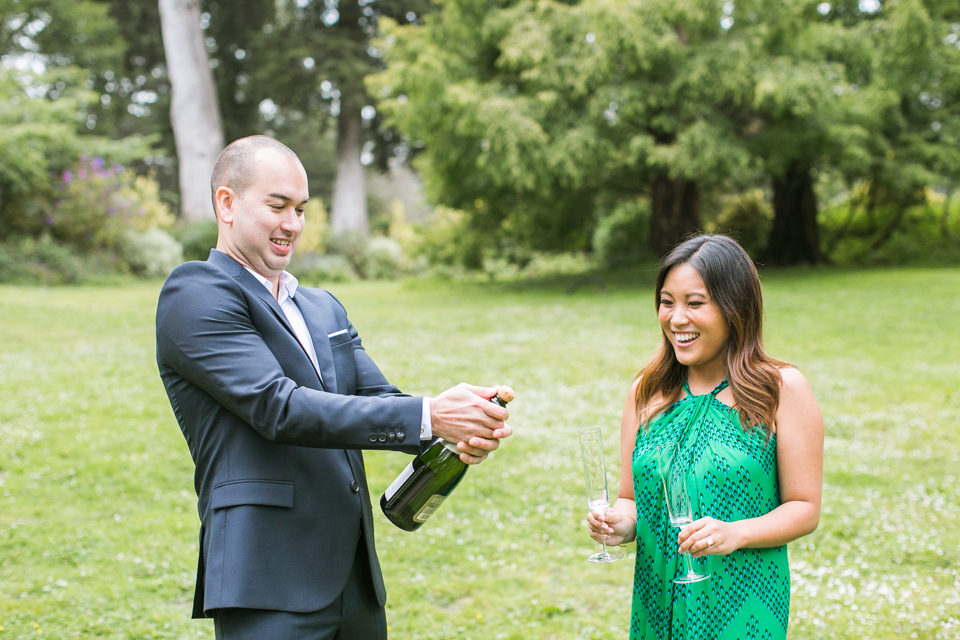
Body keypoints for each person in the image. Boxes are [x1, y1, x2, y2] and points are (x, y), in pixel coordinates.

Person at [155, 135, 512, 640]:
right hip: (267, 576)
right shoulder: (194, 293)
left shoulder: (323, 307)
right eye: (277, 206)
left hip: (354, 578)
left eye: (300, 209)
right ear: (226, 203)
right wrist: (431, 414)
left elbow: (377, 401)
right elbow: (276, 407)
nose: (292, 224)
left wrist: (459, 427)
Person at [586, 234, 823, 639]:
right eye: (666, 302)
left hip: (744, 607)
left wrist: (736, 532)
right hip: (655, 604)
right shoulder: (646, 391)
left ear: (735, 308)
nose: (677, 318)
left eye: (695, 303)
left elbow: (803, 508)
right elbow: (629, 498)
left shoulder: (781, 389)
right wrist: (619, 527)